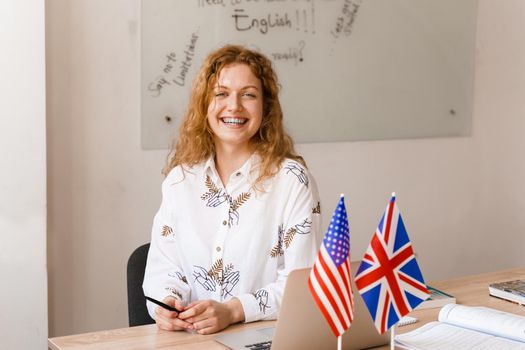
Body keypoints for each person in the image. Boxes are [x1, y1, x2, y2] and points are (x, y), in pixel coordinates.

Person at [143, 44, 321, 335]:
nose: (234, 106)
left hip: (268, 339)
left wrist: (233, 311)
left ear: (266, 108)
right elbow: (164, 268)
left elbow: (303, 284)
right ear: (204, 105)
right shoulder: (179, 181)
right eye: (221, 93)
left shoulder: (292, 181)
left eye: (248, 94)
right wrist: (167, 304)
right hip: (191, 340)